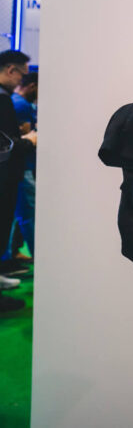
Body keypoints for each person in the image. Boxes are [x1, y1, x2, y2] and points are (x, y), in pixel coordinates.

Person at [0, 50, 35, 312]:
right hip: (6, 176)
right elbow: (8, 145)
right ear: (11, 70)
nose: (22, 82)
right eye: (22, 75)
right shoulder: (4, 100)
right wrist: (29, 141)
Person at [8, 70, 37, 261]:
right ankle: (39, 256)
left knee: (17, 214)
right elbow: (24, 137)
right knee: (28, 213)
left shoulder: (13, 101)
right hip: (22, 166)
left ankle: (12, 253)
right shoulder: (21, 105)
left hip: (19, 165)